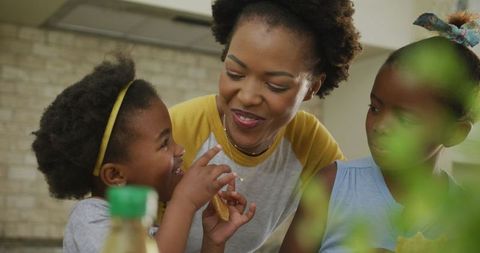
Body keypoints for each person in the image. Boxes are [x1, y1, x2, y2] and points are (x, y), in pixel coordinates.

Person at [168, 0, 362, 252]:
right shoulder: (178, 129)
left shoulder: (310, 143)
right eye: (235, 73)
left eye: (276, 85)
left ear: (312, 87)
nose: (248, 96)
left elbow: (356, 214)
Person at [280, 12, 480, 253]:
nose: (380, 126)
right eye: (375, 107)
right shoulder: (330, 185)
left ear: (454, 133)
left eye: (406, 119)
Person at [31, 55, 256, 253]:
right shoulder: (90, 219)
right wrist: (184, 202)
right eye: (164, 143)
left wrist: (213, 242)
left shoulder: (146, 226)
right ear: (116, 175)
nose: (180, 149)